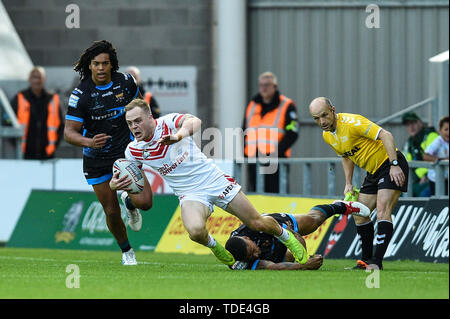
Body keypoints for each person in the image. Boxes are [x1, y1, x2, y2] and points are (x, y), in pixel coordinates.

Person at [109, 98, 309, 266]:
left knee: (256, 222)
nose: (134, 126)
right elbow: (127, 175)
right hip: (189, 194)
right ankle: (216, 248)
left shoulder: (168, 123)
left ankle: (286, 236)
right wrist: (114, 186)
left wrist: (178, 135)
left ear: (150, 117)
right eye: (130, 123)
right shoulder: (133, 150)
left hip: (214, 180)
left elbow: (195, 121)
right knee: (195, 232)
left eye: (137, 121)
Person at [64, 40, 151, 265]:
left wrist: (145, 138)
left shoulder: (126, 83)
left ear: (112, 65)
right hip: (96, 159)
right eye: (96, 64)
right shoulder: (80, 94)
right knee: (111, 211)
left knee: (145, 203)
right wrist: (89, 142)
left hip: (125, 153)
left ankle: (131, 204)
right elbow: (68, 133)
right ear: (89, 66)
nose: (101, 68)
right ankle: (127, 252)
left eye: (105, 63)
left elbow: (140, 111)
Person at [309, 97, 409, 270]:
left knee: (382, 211)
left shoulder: (352, 122)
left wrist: (394, 165)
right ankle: (365, 261)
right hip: (373, 172)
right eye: (316, 118)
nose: (322, 121)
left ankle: (376, 262)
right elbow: (346, 155)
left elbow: (386, 135)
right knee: (360, 214)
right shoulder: (327, 135)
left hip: (389, 163)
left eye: (324, 115)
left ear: (333, 109)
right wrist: (348, 182)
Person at [226, 200, 370, 270]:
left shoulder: (256, 226)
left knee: (313, 221)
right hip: (273, 252)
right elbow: (271, 267)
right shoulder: (238, 260)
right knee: (290, 258)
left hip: (276, 227)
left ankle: (341, 206)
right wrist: (304, 265)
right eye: (250, 257)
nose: (256, 255)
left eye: (253, 251)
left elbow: (297, 239)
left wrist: (293, 233)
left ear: (247, 238)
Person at [243, 71, 299, 193]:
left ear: (275, 86)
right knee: (256, 194)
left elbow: (292, 133)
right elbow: (244, 129)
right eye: (261, 85)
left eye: (267, 84)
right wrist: (246, 152)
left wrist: (275, 153)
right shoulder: (252, 104)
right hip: (254, 159)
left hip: (276, 160)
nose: (264, 88)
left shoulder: (286, 105)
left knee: (277, 194)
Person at [10, 66, 63, 159]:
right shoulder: (20, 97)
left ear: (44, 79)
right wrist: (15, 143)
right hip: (25, 154)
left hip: (48, 154)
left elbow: (61, 126)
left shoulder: (52, 99)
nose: (37, 80)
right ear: (29, 79)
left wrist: (54, 145)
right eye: (34, 77)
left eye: (39, 77)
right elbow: (8, 121)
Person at [401, 112, 439, 197]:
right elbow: (404, 161)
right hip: (417, 180)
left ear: (420, 122)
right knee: (397, 193)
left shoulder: (431, 136)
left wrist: (426, 174)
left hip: (434, 178)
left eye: (413, 123)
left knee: (423, 194)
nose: (411, 127)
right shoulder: (409, 143)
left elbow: (439, 159)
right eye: (407, 125)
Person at [423, 116, 449, 195]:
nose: (448, 132)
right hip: (436, 179)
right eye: (446, 129)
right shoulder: (438, 141)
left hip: (446, 178)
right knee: (438, 200)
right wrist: (441, 160)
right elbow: (426, 156)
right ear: (440, 131)